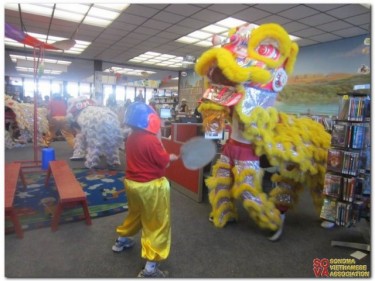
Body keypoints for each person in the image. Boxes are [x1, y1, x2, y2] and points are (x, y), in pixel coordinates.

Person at [112, 101, 178, 278]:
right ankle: (150, 268)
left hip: (132, 184)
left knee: (136, 214)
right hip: (150, 186)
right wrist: (169, 154)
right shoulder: (151, 140)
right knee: (156, 223)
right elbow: (164, 161)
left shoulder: (132, 137)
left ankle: (122, 240)